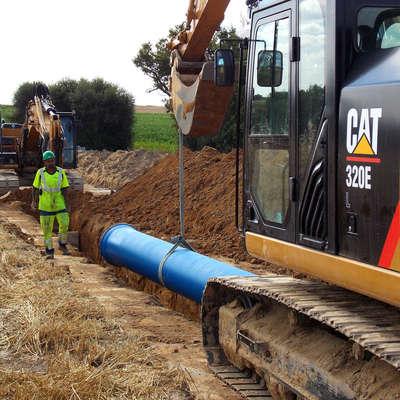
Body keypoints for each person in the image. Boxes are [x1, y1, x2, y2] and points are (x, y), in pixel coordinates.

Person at [32, 150, 70, 259]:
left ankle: (62, 244)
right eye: (48, 161)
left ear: (55, 160)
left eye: (52, 160)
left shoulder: (60, 172)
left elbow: (65, 188)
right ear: (44, 162)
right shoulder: (40, 173)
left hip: (59, 204)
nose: (50, 163)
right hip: (45, 206)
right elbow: (34, 188)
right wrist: (34, 202)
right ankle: (49, 251)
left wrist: (67, 204)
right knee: (47, 230)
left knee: (64, 223)